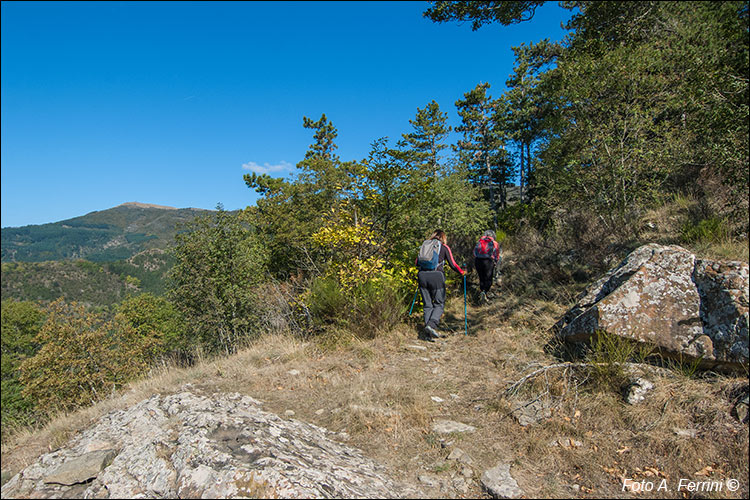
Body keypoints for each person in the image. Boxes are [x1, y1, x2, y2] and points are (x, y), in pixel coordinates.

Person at [415, 229, 465, 341]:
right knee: (439, 303)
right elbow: (453, 264)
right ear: (443, 237)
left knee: (427, 305)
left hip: (422, 275)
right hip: (437, 276)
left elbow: (416, 263)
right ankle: (431, 326)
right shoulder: (444, 247)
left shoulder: (425, 245)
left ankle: (428, 335)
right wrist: (462, 272)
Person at [473, 230, 500, 303]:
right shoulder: (494, 243)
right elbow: (496, 256)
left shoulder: (479, 241)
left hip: (478, 261)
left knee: (481, 278)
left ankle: (482, 293)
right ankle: (484, 293)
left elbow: (474, 253)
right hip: (488, 262)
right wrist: (495, 263)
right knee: (488, 279)